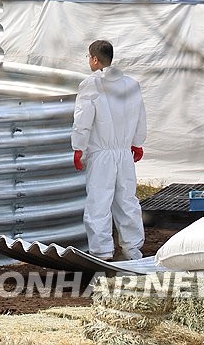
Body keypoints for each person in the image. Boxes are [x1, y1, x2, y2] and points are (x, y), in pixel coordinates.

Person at [71, 39, 147, 261]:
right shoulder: (132, 84)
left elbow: (83, 121)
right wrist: (137, 142)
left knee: (99, 202)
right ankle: (133, 250)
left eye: (88, 57)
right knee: (127, 201)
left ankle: (102, 252)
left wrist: (79, 148)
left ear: (94, 59)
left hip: (101, 154)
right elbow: (141, 115)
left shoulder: (90, 85)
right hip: (124, 153)